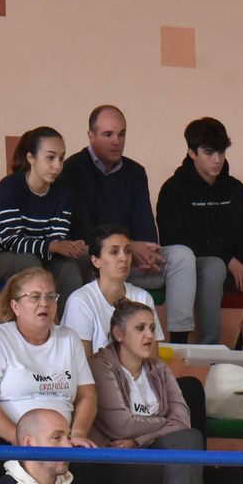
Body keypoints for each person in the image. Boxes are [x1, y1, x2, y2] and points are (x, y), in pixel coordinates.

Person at [86, 299, 226, 484]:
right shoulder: (100, 366)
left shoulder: (159, 368)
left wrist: (137, 439)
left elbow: (183, 421)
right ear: (119, 334)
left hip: (158, 463)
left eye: (152, 327)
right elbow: (120, 425)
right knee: (185, 452)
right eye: (140, 328)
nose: (150, 335)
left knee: (190, 437)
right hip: (120, 464)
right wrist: (161, 425)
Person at [156, 117, 243, 346]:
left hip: (241, 270)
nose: (217, 159)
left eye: (222, 152)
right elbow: (173, 240)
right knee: (214, 266)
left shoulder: (236, 190)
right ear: (191, 153)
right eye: (209, 153)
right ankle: (210, 344)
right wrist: (228, 259)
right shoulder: (173, 189)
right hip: (201, 270)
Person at [63, 106, 195, 339]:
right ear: (90, 136)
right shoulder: (73, 170)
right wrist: (130, 246)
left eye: (121, 134)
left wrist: (148, 252)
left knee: (182, 256)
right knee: (82, 254)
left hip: (130, 258)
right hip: (94, 257)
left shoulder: (135, 172)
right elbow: (82, 229)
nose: (116, 141)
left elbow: (145, 221)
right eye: (108, 134)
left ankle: (178, 341)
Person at [0, 269, 97, 484]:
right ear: (15, 306)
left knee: (92, 469)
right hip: (5, 440)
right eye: (35, 297)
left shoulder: (69, 339)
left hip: (59, 442)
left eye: (50, 297)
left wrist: (76, 435)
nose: (44, 303)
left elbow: (87, 396)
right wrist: (18, 439)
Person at [0, 127, 85, 304]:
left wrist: (69, 247)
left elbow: (58, 235)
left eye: (61, 158)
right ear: (31, 158)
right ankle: (35, 323)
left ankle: (68, 328)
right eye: (50, 158)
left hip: (41, 255)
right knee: (29, 263)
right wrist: (55, 246)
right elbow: (12, 240)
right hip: (0, 256)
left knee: (69, 268)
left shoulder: (64, 191)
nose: (58, 166)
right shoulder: (9, 187)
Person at [61, 225, 155, 358]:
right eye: (114, 252)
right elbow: (82, 367)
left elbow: (153, 361)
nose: (124, 258)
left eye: (127, 251)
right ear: (96, 261)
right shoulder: (80, 301)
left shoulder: (143, 297)